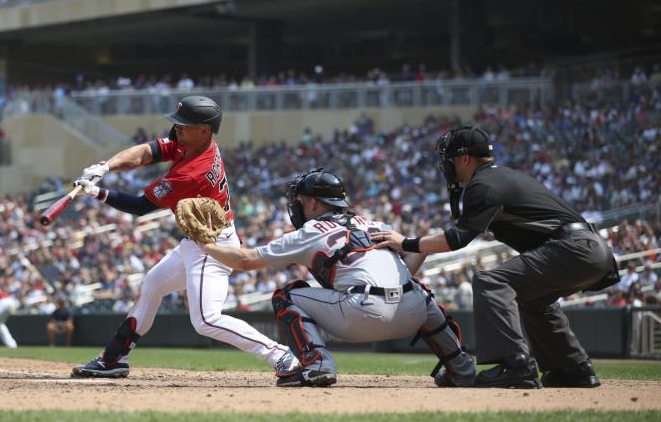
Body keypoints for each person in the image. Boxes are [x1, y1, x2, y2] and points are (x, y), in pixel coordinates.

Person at [371, 126, 619, 389]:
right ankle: (573, 368)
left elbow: (458, 239)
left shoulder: (482, 185)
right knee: (534, 301)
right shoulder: (501, 177)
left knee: (492, 281)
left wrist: (407, 243)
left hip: (574, 248)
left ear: (465, 159)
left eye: (449, 158)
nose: (446, 166)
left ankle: (516, 365)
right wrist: (421, 246)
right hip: (592, 249)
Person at [70, 96, 298, 381]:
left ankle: (281, 355)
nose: (176, 129)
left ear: (205, 130)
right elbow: (147, 152)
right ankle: (114, 358)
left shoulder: (193, 172)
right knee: (152, 284)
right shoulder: (192, 142)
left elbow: (140, 207)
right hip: (196, 241)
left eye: (184, 125)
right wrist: (105, 167)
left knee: (205, 320)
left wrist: (97, 193)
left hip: (212, 247)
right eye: (177, 124)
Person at [198, 169, 475, 387]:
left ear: (313, 202)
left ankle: (317, 365)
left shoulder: (311, 231)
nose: (297, 205)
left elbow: (246, 261)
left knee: (287, 296)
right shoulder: (375, 223)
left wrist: (205, 245)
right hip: (411, 314)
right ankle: (461, 367)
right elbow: (410, 265)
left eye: (301, 200)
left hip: (361, 315)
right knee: (416, 290)